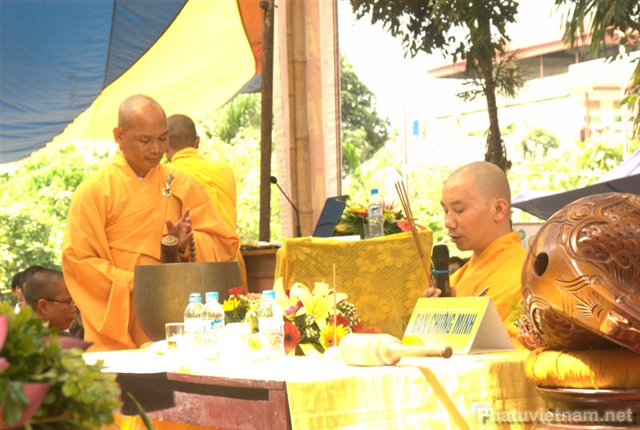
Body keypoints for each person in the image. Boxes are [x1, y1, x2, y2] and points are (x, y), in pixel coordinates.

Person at [62, 94, 240, 351]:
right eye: (145, 141)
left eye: (162, 139)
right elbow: (79, 260)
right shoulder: (94, 191)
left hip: (175, 312)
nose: (156, 149)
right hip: (119, 318)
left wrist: (185, 245)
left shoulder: (182, 184)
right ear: (119, 136)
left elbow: (222, 243)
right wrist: (138, 284)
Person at [423, 161, 526, 337]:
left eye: (459, 210)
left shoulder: (529, 277)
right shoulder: (453, 283)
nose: (448, 222)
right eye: (446, 211)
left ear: (498, 209)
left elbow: (524, 347)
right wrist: (430, 320)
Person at [166, 114, 248, 290]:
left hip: (194, 267)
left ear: (164, 146)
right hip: (230, 260)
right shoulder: (224, 171)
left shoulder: (167, 176)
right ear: (197, 141)